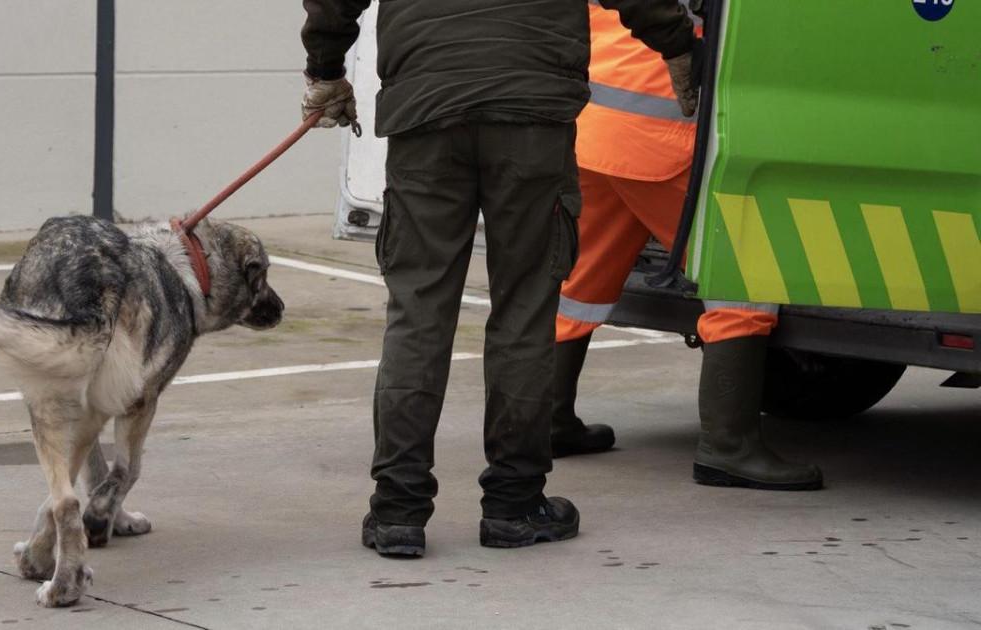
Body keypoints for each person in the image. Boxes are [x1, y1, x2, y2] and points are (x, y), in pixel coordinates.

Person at [300, 0, 699, 557]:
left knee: (417, 313)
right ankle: (514, 505)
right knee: (524, 310)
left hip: (427, 107)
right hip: (531, 112)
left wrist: (325, 68)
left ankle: (397, 511)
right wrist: (678, 43)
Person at [551, 1, 823, 491]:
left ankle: (542, 420)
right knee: (742, 274)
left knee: (578, 280)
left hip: (592, 120)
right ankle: (729, 446)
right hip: (663, 126)